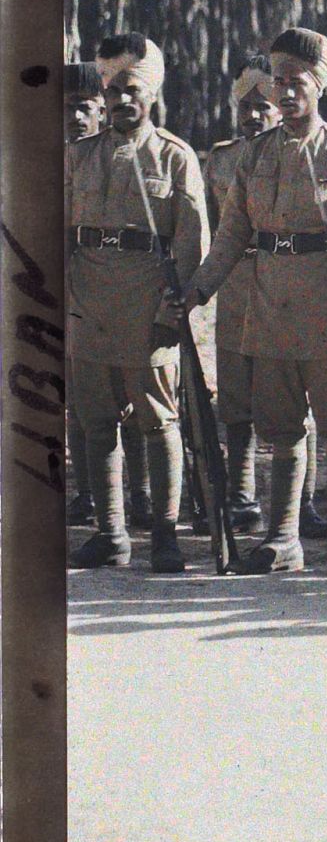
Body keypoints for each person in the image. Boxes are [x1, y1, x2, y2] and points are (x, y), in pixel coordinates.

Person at [182, 27, 327, 575]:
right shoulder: (255, 155)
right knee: (281, 427)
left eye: (296, 85)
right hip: (269, 305)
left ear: (318, 88)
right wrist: (199, 288)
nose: (285, 95)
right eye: (278, 85)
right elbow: (232, 234)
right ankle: (283, 537)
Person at [67, 34, 209, 572]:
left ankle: (166, 534)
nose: (122, 101)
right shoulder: (77, 157)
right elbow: (60, 236)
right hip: (89, 306)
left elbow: (192, 242)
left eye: (132, 90)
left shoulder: (174, 156)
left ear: (149, 94)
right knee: (96, 422)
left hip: (147, 305)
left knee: (157, 421)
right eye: (113, 90)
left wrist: (172, 311)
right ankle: (111, 533)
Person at [204, 55, 280, 537]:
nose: (253, 116)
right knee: (235, 394)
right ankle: (241, 493)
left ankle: (302, 503)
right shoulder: (221, 159)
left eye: (264, 106)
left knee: (291, 391)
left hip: (283, 281)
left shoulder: (296, 152)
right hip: (234, 283)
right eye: (246, 106)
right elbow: (214, 230)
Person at [64, 62, 107, 528]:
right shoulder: (41, 157)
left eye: (84, 109)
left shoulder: (107, 158)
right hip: (60, 293)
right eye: (68, 109)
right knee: (75, 399)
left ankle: (138, 496)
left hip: (106, 293)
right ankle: (86, 493)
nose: (76, 118)